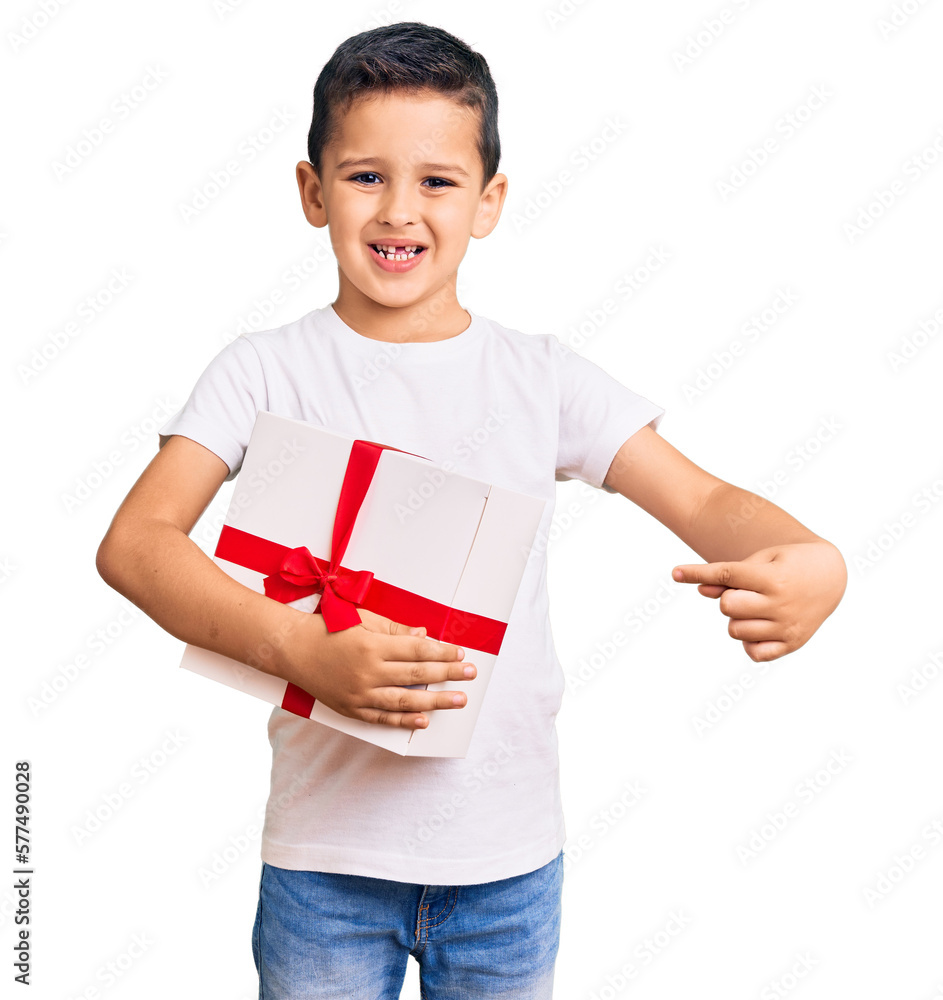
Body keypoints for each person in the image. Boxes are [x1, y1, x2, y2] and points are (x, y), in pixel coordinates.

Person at [95, 21, 847, 1000]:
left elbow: (704, 499)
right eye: (364, 176)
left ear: (489, 201)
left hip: (509, 870)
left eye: (437, 182)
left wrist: (813, 556)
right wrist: (302, 650)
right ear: (311, 191)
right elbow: (136, 544)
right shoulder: (263, 371)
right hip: (325, 864)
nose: (399, 209)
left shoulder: (541, 380)